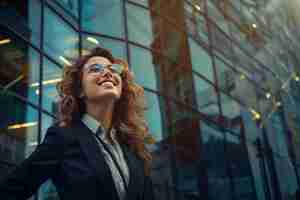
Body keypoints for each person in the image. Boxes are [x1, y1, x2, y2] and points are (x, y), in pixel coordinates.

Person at [0, 47, 155, 200]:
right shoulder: (63, 136)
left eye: (114, 69)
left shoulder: (132, 146)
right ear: (80, 90)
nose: (108, 73)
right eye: (95, 69)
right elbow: (11, 190)